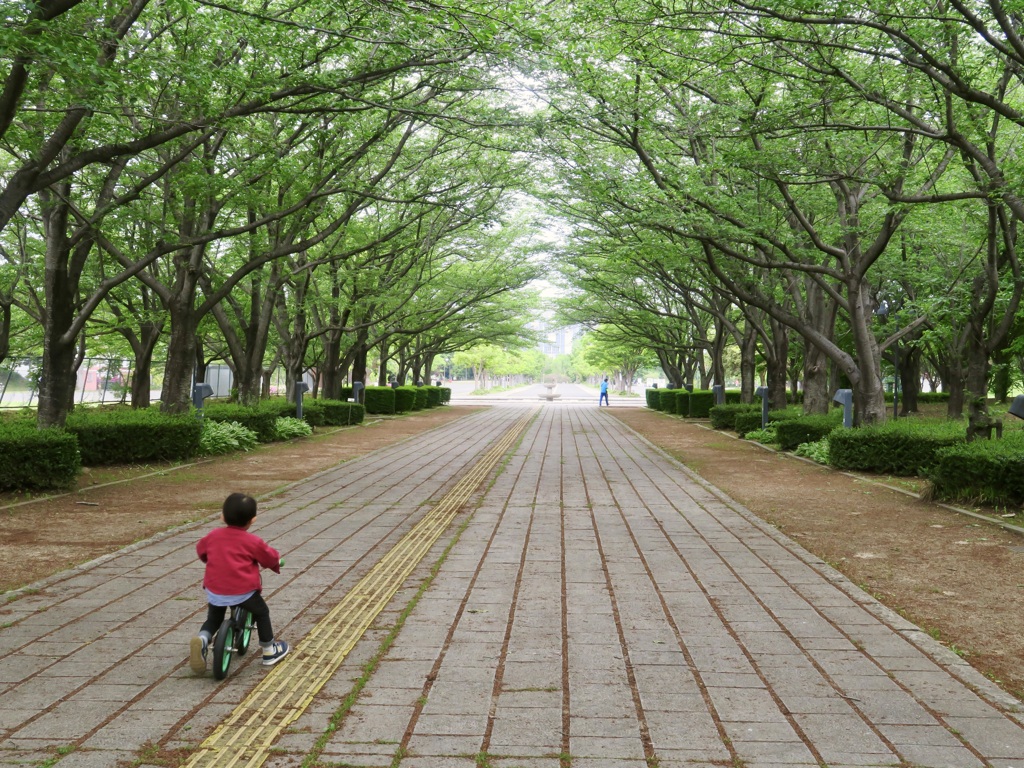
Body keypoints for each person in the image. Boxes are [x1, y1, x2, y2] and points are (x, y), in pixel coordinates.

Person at [190, 493, 289, 674]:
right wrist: (277, 561)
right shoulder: (252, 541)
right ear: (253, 520)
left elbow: (201, 550)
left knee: (214, 619)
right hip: (243, 591)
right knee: (262, 612)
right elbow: (269, 556)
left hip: (216, 590)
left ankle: (202, 640)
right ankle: (269, 650)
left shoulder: (213, 536)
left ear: (222, 516)